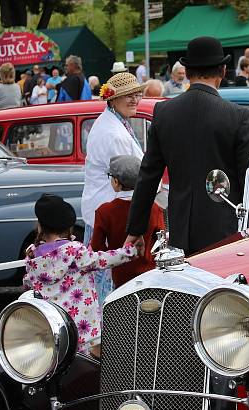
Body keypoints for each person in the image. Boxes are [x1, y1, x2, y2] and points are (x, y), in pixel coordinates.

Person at [126, 36, 249, 255]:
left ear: (188, 72)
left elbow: (148, 175)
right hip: (225, 231)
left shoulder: (164, 113)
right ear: (222, 71)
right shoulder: (239, 117)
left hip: (181, 227)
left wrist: (136, 228)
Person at [24, 193, 137, 358]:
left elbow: (27, 285)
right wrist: (130, 251)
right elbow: (103, 260)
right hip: (84, 329)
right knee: (85, 372)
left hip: (53, 328)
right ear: (68, 227)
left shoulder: (33, 256)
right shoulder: (74, 251)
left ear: (40, 227)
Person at [84, 72, 146, 303]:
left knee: (103, 276)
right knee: (109, 280)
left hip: (103, 209)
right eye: (127, 96)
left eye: (136, 94)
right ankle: (109, 329)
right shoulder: (114, 133)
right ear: (111, 99)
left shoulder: (113, 123)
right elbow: (131, 173)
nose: (134, 100)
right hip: (110, 214)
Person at [91, 155, 164, 287]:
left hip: (120, 276)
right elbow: (161, 241)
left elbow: (97, 247)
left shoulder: (104, 211)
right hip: (150, 274)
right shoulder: (154, 208)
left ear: (116, 182)